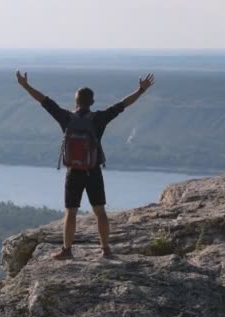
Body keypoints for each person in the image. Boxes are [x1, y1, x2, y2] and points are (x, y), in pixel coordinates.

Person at [16, 70, 154, 259]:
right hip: (93, 171)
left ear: (76, 101)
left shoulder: (66, 118)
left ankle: (67, 250)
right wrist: (140, 91)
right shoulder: (98, 119)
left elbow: (45, 101)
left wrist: (25, 86)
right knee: (100, 211)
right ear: (92, 102)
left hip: (73, 171)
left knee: (70, 212)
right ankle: (105, 249)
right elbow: (122, 106)